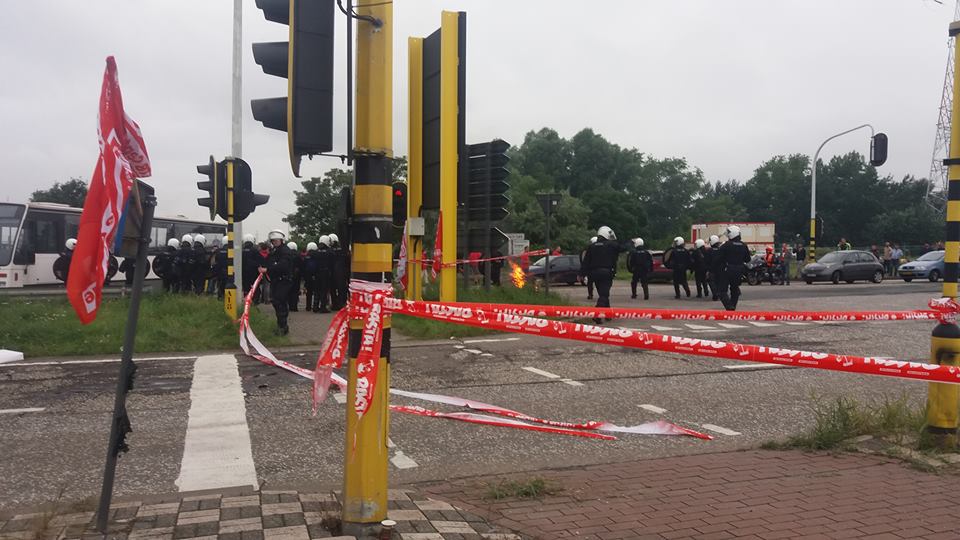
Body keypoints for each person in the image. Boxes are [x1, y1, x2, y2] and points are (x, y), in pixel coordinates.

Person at [579, 226, 622, 324]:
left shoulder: (591, 246)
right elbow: (620, 248)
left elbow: (586, 261)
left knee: (603, 294)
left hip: (594, 274)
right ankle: (597, 315)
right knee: (604, 294)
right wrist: (631, 244)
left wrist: (581, 273)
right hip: (606, 273)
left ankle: (608, 314)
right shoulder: (611, 245)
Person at [259, 229, 293, 335]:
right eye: (273, 241)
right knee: (277, 303)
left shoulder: (285, 251)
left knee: (280, 303)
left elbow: (283, 266)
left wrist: (268, 270)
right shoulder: (275, 251)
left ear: (281, 240)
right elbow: (268, 261)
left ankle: (283, 327)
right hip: (276, 281)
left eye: (276, 240)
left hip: (283, 280)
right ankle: (281, 326)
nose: (274, 242)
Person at [717, 225, 751, 311]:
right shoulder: (744, 245)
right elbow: (748, 259)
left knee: (722, 291)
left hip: (728, 269)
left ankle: (729, 306)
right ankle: (733, 307)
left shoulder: (726, 245)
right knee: (735, 289)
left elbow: (718, 258)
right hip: (739, 269)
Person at [312, 235, 335, 312]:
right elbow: (332, 263)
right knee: (324, 290)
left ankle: (315, 306)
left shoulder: (315, 252)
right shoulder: (330, 252)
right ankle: (323, 307)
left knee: (317, 290)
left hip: (316, 273)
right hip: (325, 273)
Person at [330, 233, 350, 310]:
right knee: (342, 288)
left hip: (332, 272)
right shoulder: (342, 250)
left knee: (333, 289)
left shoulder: (330, 251)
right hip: (342, 271)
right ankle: (342, 303)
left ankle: (334, 304)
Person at [241, 234, 259, 300]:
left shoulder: (241, 251)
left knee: (246, 287)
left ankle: (247, 299)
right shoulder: (255, 250)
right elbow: (259, 261)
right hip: (254, 272)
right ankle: (255, 299)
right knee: (255, 286)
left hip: (243, 272)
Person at [287, 241, 302, 312]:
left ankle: (290, 306)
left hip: (288, 275)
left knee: (289, 291)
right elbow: (302, 265)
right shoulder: (298, 255)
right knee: (295, 291)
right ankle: (294, 307)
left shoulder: (286, 255)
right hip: (297, 276)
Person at [707, 235, 723, 301]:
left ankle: (715, 294)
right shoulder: (721, 250)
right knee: (718, 282)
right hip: (720, 269)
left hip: (712, 269)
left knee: (712, 282)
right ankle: (718, 293)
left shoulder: (709, 250)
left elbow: (706, 260)